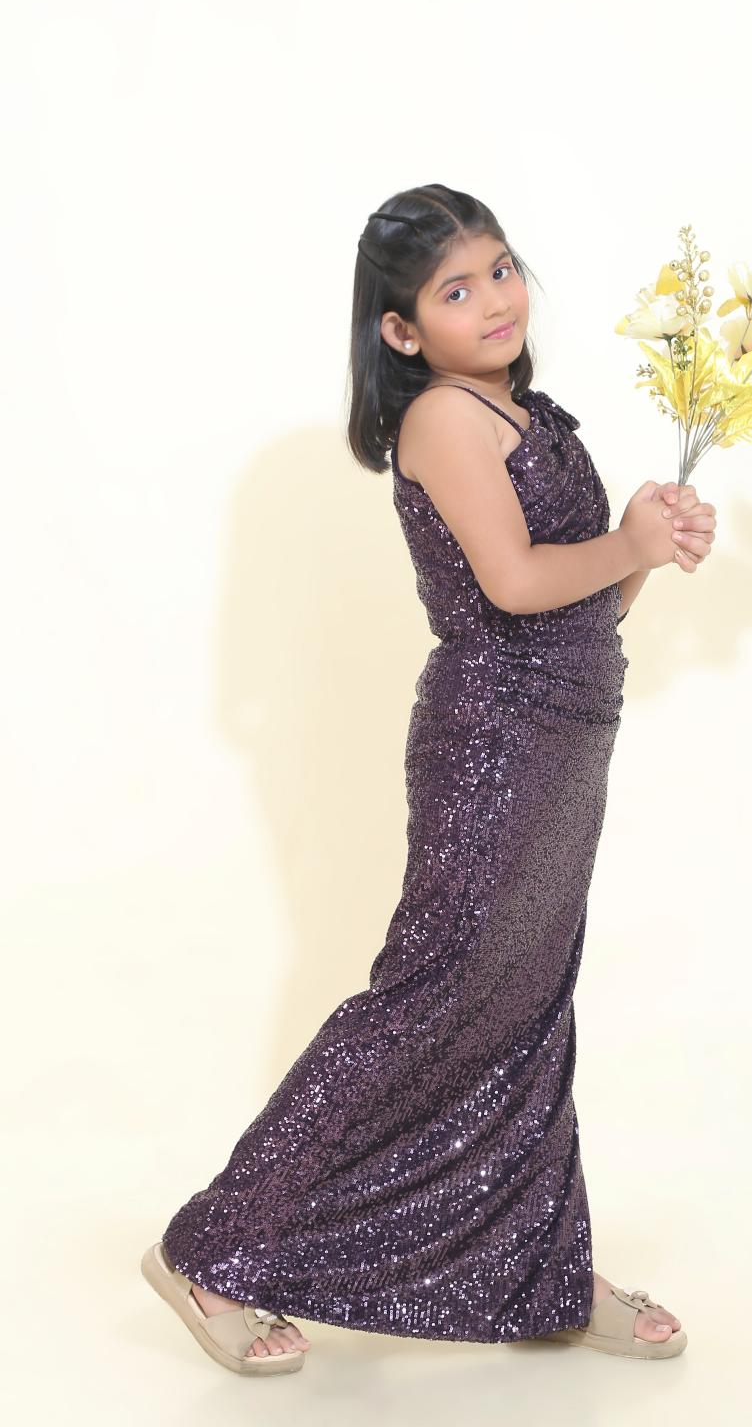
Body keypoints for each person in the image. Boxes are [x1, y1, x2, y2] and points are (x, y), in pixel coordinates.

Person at [141, 183, 716, 1375]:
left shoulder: (525, 411)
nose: (495, 299)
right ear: (402, 330)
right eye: (457, 290)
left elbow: (584, 607)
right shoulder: (448, 417)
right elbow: (512, 584)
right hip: (496, 743)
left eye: (500, 270)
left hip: (567, 733)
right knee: (434, 1000)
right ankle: (212, 1250)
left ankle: (538, 1271)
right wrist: (627, 538)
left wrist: (642, 548)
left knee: (527, 1003)